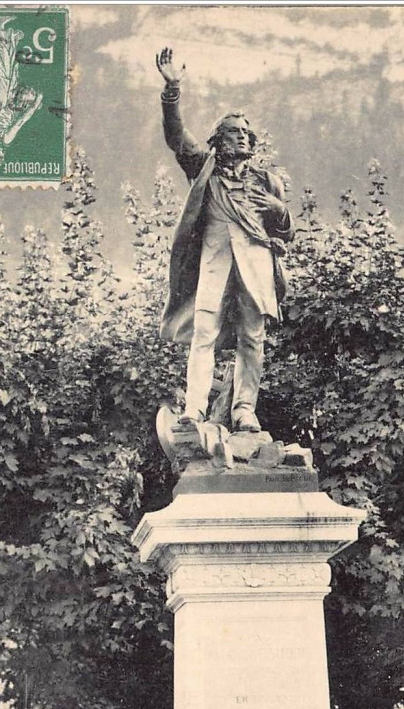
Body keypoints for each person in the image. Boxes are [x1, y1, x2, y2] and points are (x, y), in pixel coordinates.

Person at [156, 45, 295, 433]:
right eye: (234, 133)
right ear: (217, 140)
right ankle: (195, 409)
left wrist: (278, 210)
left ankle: (244, 410)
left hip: (256, 269)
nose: (243, 139)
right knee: (204, 335)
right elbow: (176, 136)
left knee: (253, 338)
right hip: (213, 266)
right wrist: (172, 91)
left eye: (247, 134)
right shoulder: (204, 168)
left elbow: (287, 233)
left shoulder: (268, 182)